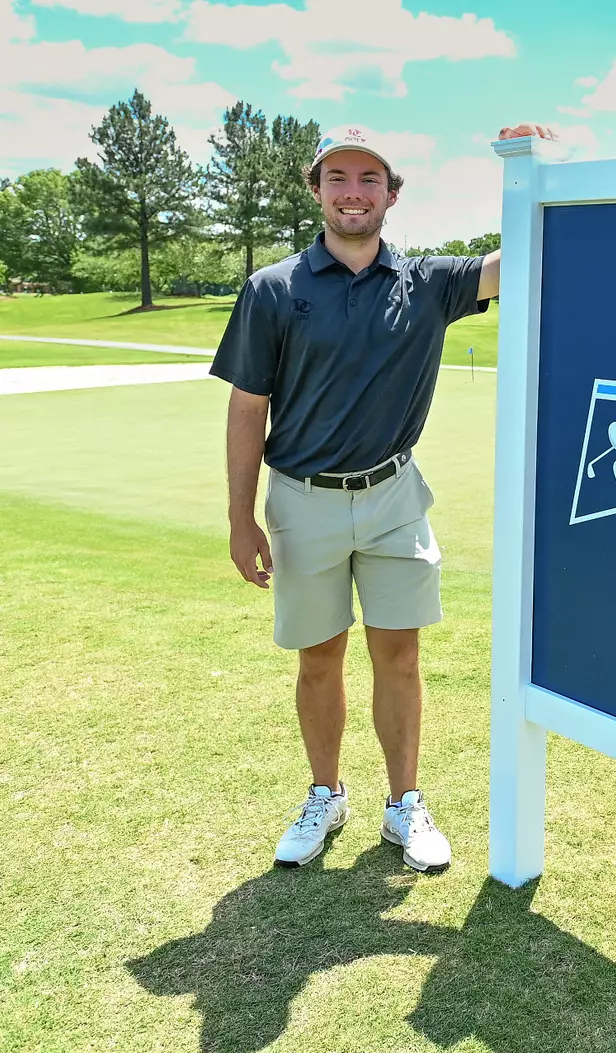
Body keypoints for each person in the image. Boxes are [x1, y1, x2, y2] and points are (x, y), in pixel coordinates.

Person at [211, 121, 557, 872]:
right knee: (318, 659)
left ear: (392, 194)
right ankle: (325, 794)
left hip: (395, 495)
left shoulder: (427, 282)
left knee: (399, 655)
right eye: (339, 178)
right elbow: (247, 407)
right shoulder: (273, 289)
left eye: (370, 179)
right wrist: (242, 518)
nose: (354, 192)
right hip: (303, 500)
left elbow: (517, 259)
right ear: (317, 190)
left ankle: (404, 807)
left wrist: (544, 168)